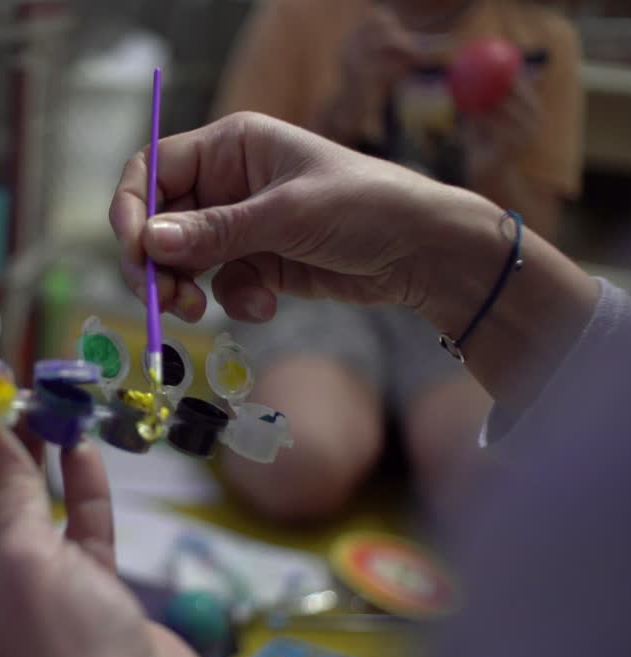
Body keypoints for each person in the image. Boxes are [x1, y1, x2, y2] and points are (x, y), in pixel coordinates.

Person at [0, 113, 631, 657]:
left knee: (476, 482)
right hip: (355, 289)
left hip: (442, 312)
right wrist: (440, 250)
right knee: (311, 453)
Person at [205, 0, 585, 519]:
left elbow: (536, 259)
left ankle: (386, 431)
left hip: (459, 306)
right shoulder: (298, 15)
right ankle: (367, 427)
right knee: (294, 461)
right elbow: (234, 197)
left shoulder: (541, 39)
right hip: (311, 287)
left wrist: (498, 168)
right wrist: (344, 109)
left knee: (492, 491)